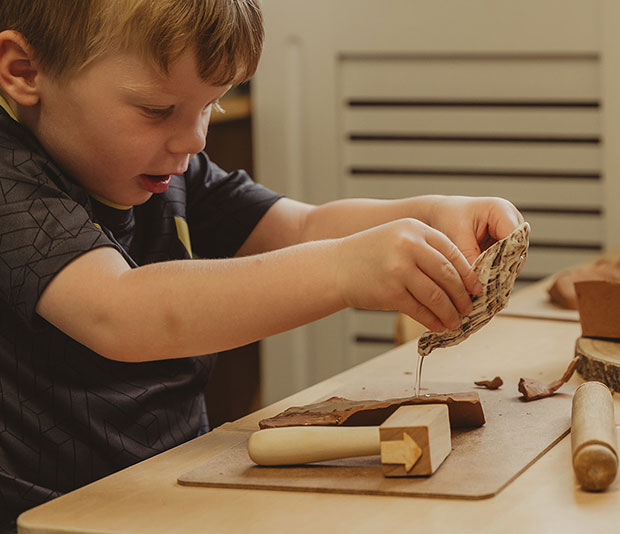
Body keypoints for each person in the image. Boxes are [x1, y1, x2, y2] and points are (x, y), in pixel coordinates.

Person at [0, 0, 524, 530]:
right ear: (24, 71)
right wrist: (344, 271)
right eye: (157, 111)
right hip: (53, 515)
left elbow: (299, 227)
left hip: (170, 485)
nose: (194, 138)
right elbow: (117, 311)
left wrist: (431, 213)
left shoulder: (162, 165)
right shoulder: (9, 179)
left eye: (210, 107)